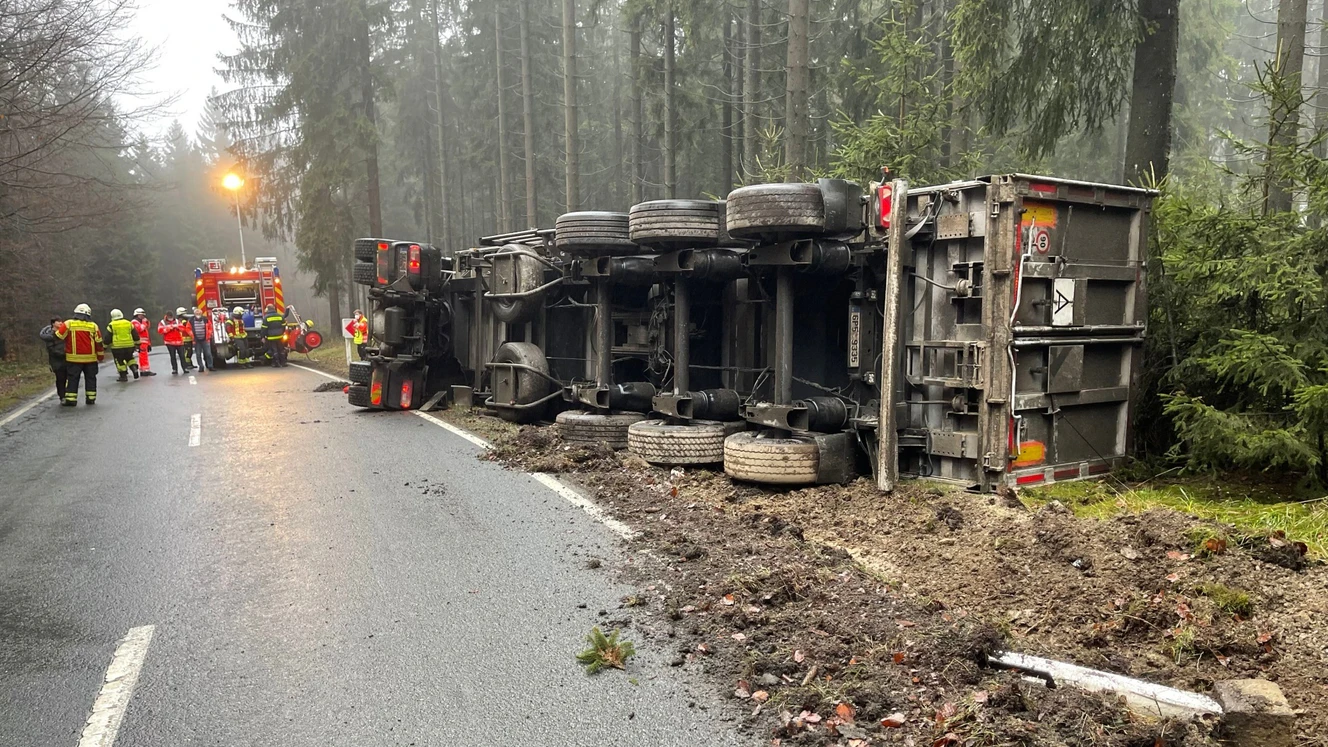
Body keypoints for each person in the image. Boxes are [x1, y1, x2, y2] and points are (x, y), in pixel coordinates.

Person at [55, 303, 105, 406]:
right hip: (90, 360)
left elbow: (59, 336)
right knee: (91, 378)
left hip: (73, 359)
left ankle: (71, 399)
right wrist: (100, 356)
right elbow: (99, 343)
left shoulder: (68, 324)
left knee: (73, 378)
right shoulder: (93, 326)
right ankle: (91, 398)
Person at [105, 309, 141, 381]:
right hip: (129, 346)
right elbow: (135, 334)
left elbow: (108, 337)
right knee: (130, 358)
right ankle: (134, 368)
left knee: (119, 361)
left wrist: (104, 346)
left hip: (117, 347)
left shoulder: (111, 325)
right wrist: (138, 344)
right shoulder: (129, 323)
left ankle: (123, 376)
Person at [38, 317, 67, 400]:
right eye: (58, 321)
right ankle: (62, 395)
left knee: (68, 377)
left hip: (66, 359)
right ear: (53, 323)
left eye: (61, 321)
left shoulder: (64, 333)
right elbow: (51, 349)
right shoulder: (50, 335)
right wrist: (62, 354)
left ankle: (67, 394)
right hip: (56, 361)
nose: (61, 323)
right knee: (60, 378)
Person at [158, 309, 186, 374]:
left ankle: (185, 368)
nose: (170, 318)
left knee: (182, 356)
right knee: (173, 356)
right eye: (169, 316)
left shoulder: (177, 321)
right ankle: (174, 369)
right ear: (166, 316)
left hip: (179, 342)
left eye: (171, 316)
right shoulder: (162, 322)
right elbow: (160, 330)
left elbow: (183, 328)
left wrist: (177, 327)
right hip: (169, 342)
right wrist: (169, 328)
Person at [188, 306, 214, 372]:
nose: (198, 315)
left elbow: (210, 327)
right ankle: (201, 367)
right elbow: (188, 329)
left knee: (208, 354)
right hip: (196, 340)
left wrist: (209, 335)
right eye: (197, 314)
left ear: (201, 314)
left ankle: (210, 366)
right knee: (198, 354)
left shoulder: (205, 319)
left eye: (199, 313)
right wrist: (192, 335)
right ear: (194, 314)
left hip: (205, 339)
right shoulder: (191, 320)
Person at [131, 308, 156, 376]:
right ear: (137, 315)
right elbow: (140, 329)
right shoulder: (134, 322)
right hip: (139, 343)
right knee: (143, 357)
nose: (143, 317)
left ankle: (144, 370)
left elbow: (146, 333)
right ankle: (145, 371)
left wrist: (149, 344)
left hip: (144, 343)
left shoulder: (141, 323)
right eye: (141, 315)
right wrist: (144, 323)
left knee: (144, 357)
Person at [177, 307, 196, 373]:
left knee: (190, 351)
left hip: (188, 338)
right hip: (185, 339)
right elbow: (187, 326)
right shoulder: (182, 320)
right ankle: (187, 364)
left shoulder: (184, 319)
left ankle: (190, 363)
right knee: (187, 352)